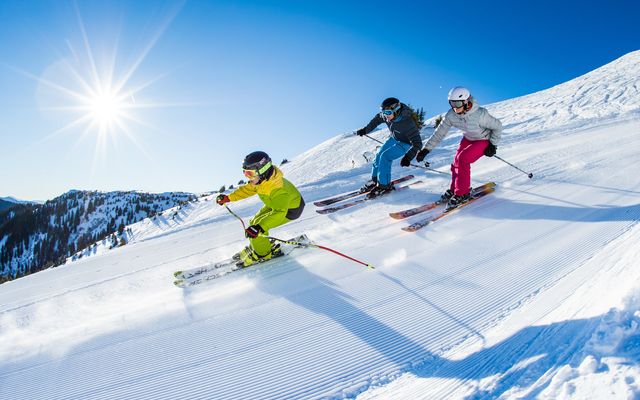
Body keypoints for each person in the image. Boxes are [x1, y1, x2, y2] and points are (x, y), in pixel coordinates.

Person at [416, 86, 502, 210]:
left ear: (466, 101)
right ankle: (455, 189)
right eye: (452, 103)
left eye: (457, 103)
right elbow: (439, 133)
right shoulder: (451, 115)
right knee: (456, 161)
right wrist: (426, 149)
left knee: (463, 159)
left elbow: (498, 126)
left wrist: (493, 145)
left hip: (483, 140)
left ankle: (462, 193)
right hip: (468, 138)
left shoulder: (480, 114)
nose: (455, 107)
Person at [216, 151, 305, 267]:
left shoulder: (277, 188)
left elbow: (280, 212)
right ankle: (260, 245)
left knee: (258, 228)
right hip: (274, 204)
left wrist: (260, 227)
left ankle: (263, 254)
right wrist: (228, 198)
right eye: (245, 173)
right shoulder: (261, 181)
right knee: (254, 223)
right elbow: (247, 190)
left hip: (290, 209)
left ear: (262, 170)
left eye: (250, 174)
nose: (248, 177)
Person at [355, 97, 423, 198]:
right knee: (378, 155)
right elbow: (376, 120)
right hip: (394, 138)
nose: (385, 116)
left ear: (396, 110)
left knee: (385, 157)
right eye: (384, 112)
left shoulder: (407, 123)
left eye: (388, 112)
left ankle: (384, 186)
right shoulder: (387, 115)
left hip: (405, 143)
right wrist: (365, 130)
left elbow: (418, 143)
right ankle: (375, 180)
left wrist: (408, 157)